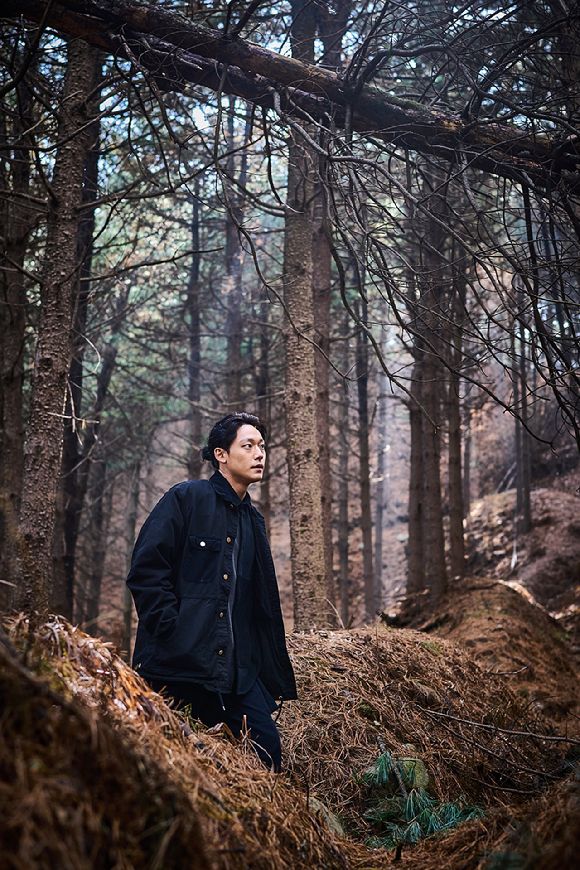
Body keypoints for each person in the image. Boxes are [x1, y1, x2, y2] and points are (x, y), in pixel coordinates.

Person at [127, 412, 297, 771]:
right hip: (177, 668)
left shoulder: (253, 521)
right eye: (248, 446)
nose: (259, 454)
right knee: (170, 763)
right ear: (221, 454)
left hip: (234, 675)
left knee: (268, 752)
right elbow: (146, 571)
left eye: (262, 446)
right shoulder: (186, 498)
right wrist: (173, 631)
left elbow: (255, 604)